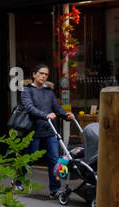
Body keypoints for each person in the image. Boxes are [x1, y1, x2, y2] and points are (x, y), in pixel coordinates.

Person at [20, 62, 79, 198]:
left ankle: (55, 189)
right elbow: (29, 107)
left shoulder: (49, 92)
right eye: (41, 73)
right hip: (34, 130)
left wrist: (66, 115)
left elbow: (56, 107)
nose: (43, 76)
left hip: (50, 130)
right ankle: (17, 180)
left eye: (46, 74)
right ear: (34, 75)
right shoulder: (27, 90)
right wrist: (44, 115)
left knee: (54, 160)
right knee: (30, 159)